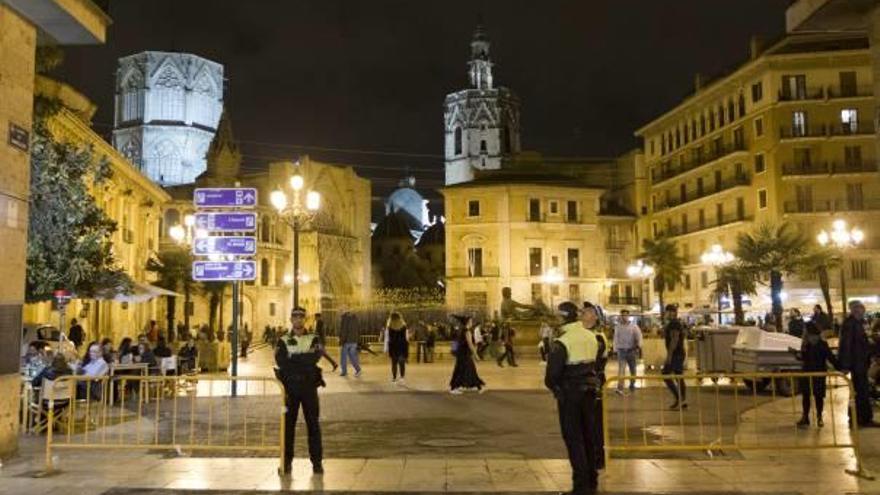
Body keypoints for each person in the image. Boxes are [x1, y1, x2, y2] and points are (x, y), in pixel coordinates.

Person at [545, 301, 600, 495]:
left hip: (570, 394)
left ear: (562, 317)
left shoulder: (562, 341)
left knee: (573, 438)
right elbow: (597, 363)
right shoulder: (591, 336)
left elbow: (551, 375)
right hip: (590, 392)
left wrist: (556, 389)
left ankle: (581, 485)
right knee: (589, 436)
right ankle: (592, 481)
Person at [276, 307, 325, 476]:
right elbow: (282, 362)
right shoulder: (282, 339)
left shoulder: (314, 337)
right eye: (295, 316)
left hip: (309, 388)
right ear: (291, 319)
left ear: (305, 319)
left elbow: (315, 357)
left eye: (301, 317)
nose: (298, 319)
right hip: (290, 389)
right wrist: (303, 358)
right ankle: (286, 462)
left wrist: (294, 358)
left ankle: (317, 463)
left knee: (313, 425)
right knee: (288, 427)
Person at [789, 322, 839, 428]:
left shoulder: (822, 344)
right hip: (806, 373)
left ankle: (819, 417)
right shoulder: (806, 344)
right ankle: (805, 417)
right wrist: (795, 354)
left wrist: (841, 367)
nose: (805, 334)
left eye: (806, 332)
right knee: (806, 396)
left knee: (818, 397)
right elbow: (803, 358)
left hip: (819, 374)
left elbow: (831, 358)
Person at [839, 300, 878, 427]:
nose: (863, 311)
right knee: (858, 393)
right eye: (861, 309)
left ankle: (863, 419)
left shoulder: (858, 323)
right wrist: (844, 365)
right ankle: (857, 420)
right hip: (856, 364)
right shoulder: (851, 324)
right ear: (855, 310)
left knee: (862, 392)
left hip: (860, 363)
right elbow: (846, 345)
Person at [449, 315, 486, 394]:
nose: (472, 322)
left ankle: (474, 385)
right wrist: (476, 355)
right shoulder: (467, 331)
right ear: (467, 322)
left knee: (468, 369)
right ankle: (454, 388)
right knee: (463, 369)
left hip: (462, 353)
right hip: (464, 354)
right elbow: (470, 344)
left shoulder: (462, 330)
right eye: (471, 321)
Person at [661, 304, 687, 410]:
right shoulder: (674, 323)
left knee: (666, 374)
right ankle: (682, 400)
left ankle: (679, 398)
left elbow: (674, 340)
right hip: (679, 353)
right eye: (668, 311)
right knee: (678, 376)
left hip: (676, 354)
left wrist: (669, 356)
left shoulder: (674, 324)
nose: (668, 314)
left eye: (669, 311)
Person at [613, 309, 642, 394]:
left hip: (631, 351)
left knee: (633, 369)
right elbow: (616, 338)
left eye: (626, 315)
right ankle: (620, 388)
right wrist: (615, 349)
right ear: (620, 316)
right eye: (623, 315)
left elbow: (639, 336)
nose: (624, 317)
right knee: (621, 370)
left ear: (628, 316)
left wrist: (638, 346)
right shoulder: (618, 327)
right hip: (621, 351)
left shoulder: (634, 326)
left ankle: (632, 384)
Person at [385, 312, 409, 384]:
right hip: (402, 346)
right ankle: (402, 378)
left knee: (394, 363)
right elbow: (406, 338)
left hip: (393, 346)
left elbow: (388, 338)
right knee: (402, 363)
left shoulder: (389, 327)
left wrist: (386, 348)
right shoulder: (404, 326)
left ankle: (394, 378)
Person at [338, 310, 362, 377]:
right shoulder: (355, 319)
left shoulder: (345, 319)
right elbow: (358, 330)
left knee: (343, 357)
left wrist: (341, 341)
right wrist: (358, 340)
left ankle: (344, 371)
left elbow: (344, 330)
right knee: (352, 357)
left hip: (346, 341)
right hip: (354, 341)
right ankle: (358, 370)